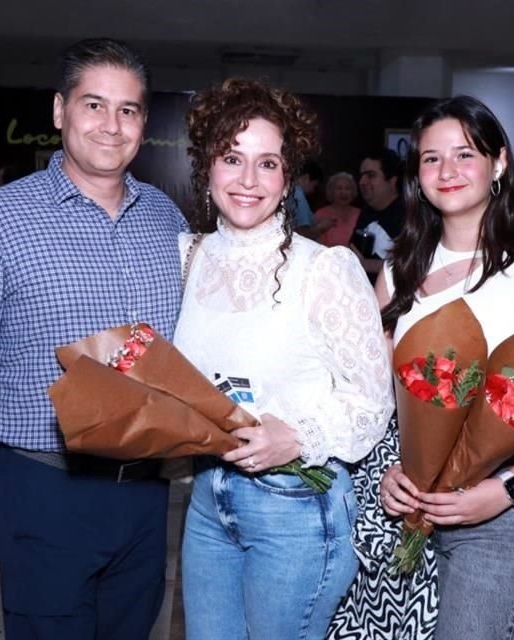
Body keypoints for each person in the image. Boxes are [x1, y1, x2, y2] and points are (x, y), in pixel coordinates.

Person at [0, 38, 187, 639]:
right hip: (46, 492)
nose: (111, 126)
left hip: (144, 497)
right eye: (94, 105)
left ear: (144, 122)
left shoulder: (166, 219)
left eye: (129, 110)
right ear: (60, 111)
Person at [369, 96, 514, 640]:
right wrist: (390, 472)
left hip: (502, 518)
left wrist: (507, 490)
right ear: (416, 174)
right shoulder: (395, 272)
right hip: (409, 511)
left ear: (499, 162)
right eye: (431, 158)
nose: (447, 171)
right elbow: (379, 401)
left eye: (464, 154)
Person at [174, 78, 393, 640]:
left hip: (299, 508)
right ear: (207, 167)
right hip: (207, 502)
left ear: (287, 176)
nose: (248, 180)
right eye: (232, 158)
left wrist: (296, 436)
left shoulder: (326, 269)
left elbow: (373, 403)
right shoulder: (186, 257)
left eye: (267, 163)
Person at [352, 148, 405, 280]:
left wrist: (367, 265)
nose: (362, 182)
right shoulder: (366, 212)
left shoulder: (411, 216)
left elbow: (417, 267)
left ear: (392, 180)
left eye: (371, 175)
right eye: (361, 176)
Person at [314, 171, 360, 248]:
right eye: (339, 188)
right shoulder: (321, 214)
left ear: (353, 192)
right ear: (331, 191)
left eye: (347, 188)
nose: (343, 192)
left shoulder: (360, 214)